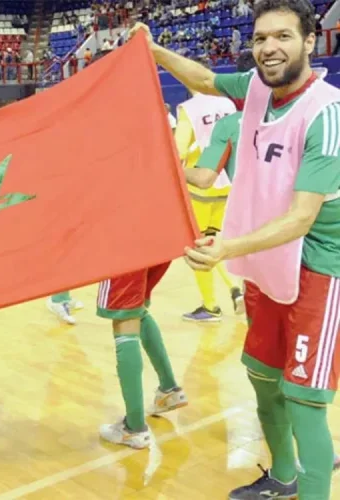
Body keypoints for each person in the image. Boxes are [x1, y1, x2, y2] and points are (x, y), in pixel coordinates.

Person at [131, 0, 340, 497]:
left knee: (305, 396)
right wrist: (153, 48)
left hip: (318, 267)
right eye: (261, 38)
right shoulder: (253, 90)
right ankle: (283, 479)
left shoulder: (327, 113)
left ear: (310, 42)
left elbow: (301, 217)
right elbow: (205, 80)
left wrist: (226, 247)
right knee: (264, 382)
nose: (269, 48)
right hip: (265, 261)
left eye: (283, 37)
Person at [86, 50, 187, 450]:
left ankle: (133, 426)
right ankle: (170, 388)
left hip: (127, 231)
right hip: (163, 229)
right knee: (140, 309)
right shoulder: (157, 117)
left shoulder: (108, 124)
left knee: (123, 322)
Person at [175, 60, 245, 323]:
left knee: (197, 249)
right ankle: (236, 289)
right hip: (228, 184)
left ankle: (210, 306)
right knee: (215, 242)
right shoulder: (228, 103)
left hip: (201, 188)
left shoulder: (189, 109)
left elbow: (178, 151)